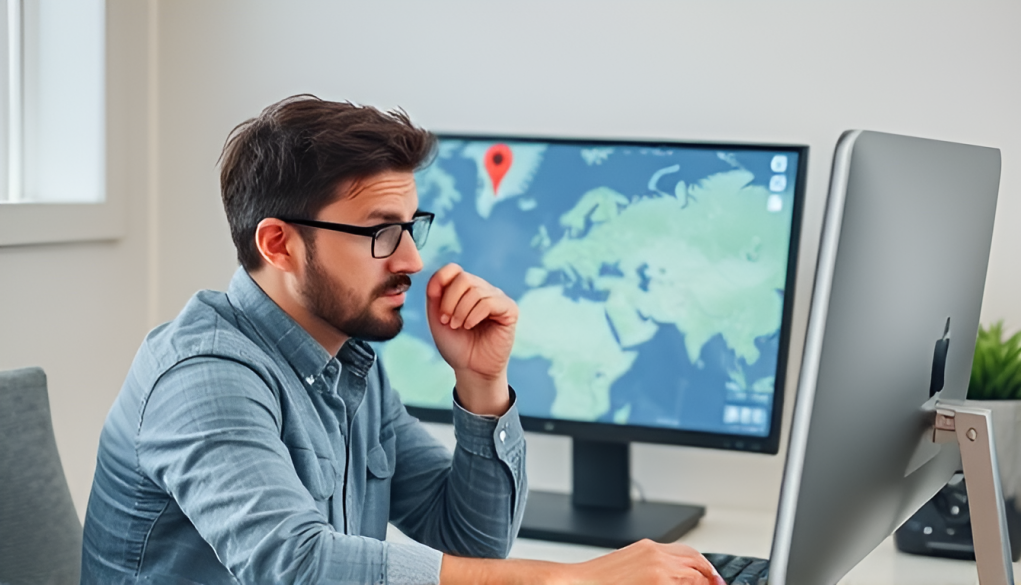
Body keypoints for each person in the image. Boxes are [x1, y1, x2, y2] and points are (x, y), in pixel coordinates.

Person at [80, 95, 725, 585]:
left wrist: (481, 385)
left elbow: (469, 546)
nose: (413, 259)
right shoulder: (203, 373)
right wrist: (572, 577)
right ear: (278, 243)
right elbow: (297, 564)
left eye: (412, 226)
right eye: (381, 232)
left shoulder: (349, 357)